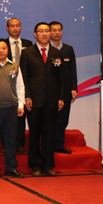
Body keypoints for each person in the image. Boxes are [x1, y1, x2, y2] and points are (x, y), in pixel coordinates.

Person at [20, 22, 66, 177]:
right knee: (34, 133)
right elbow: (24, 76)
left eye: (47, 31)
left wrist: (61, 97)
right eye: (41, 31)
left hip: (51, 100)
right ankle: (35, 165)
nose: (44, 34)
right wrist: (26, 96)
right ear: (35, 34)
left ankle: (48, 165)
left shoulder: (57, 53)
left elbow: (61, 77)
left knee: (49, 133)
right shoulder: (27, 52)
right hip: (34, 100)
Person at [0, 39, 25, 179]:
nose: (1, 51)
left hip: (11, 108)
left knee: (10, 140)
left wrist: (20, 105)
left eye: (4, 48)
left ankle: (11, 167)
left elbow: (20, 86)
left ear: (8, 50)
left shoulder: (15, 66)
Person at [49, 21, 77, 155]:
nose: (57, 32)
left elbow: (72, 70)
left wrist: (73, 88)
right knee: (49, 121)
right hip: (49, 91)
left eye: (59, 30)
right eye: (54, 30)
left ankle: (59, 145)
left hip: (65, 91)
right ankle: (47, 146)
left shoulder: (68, 49)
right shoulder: (44, 49)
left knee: (63, 120)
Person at [6, 18, 33, 155]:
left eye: (17, 25)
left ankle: (20, 145)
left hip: (25, 81)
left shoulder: (29, 44)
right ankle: (7, 145)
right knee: (7, 117)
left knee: (21, 115)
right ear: (7, 28)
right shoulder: (3, 44)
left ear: (21, 27)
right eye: (12, 26)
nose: (15, 28)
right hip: (8, 82)